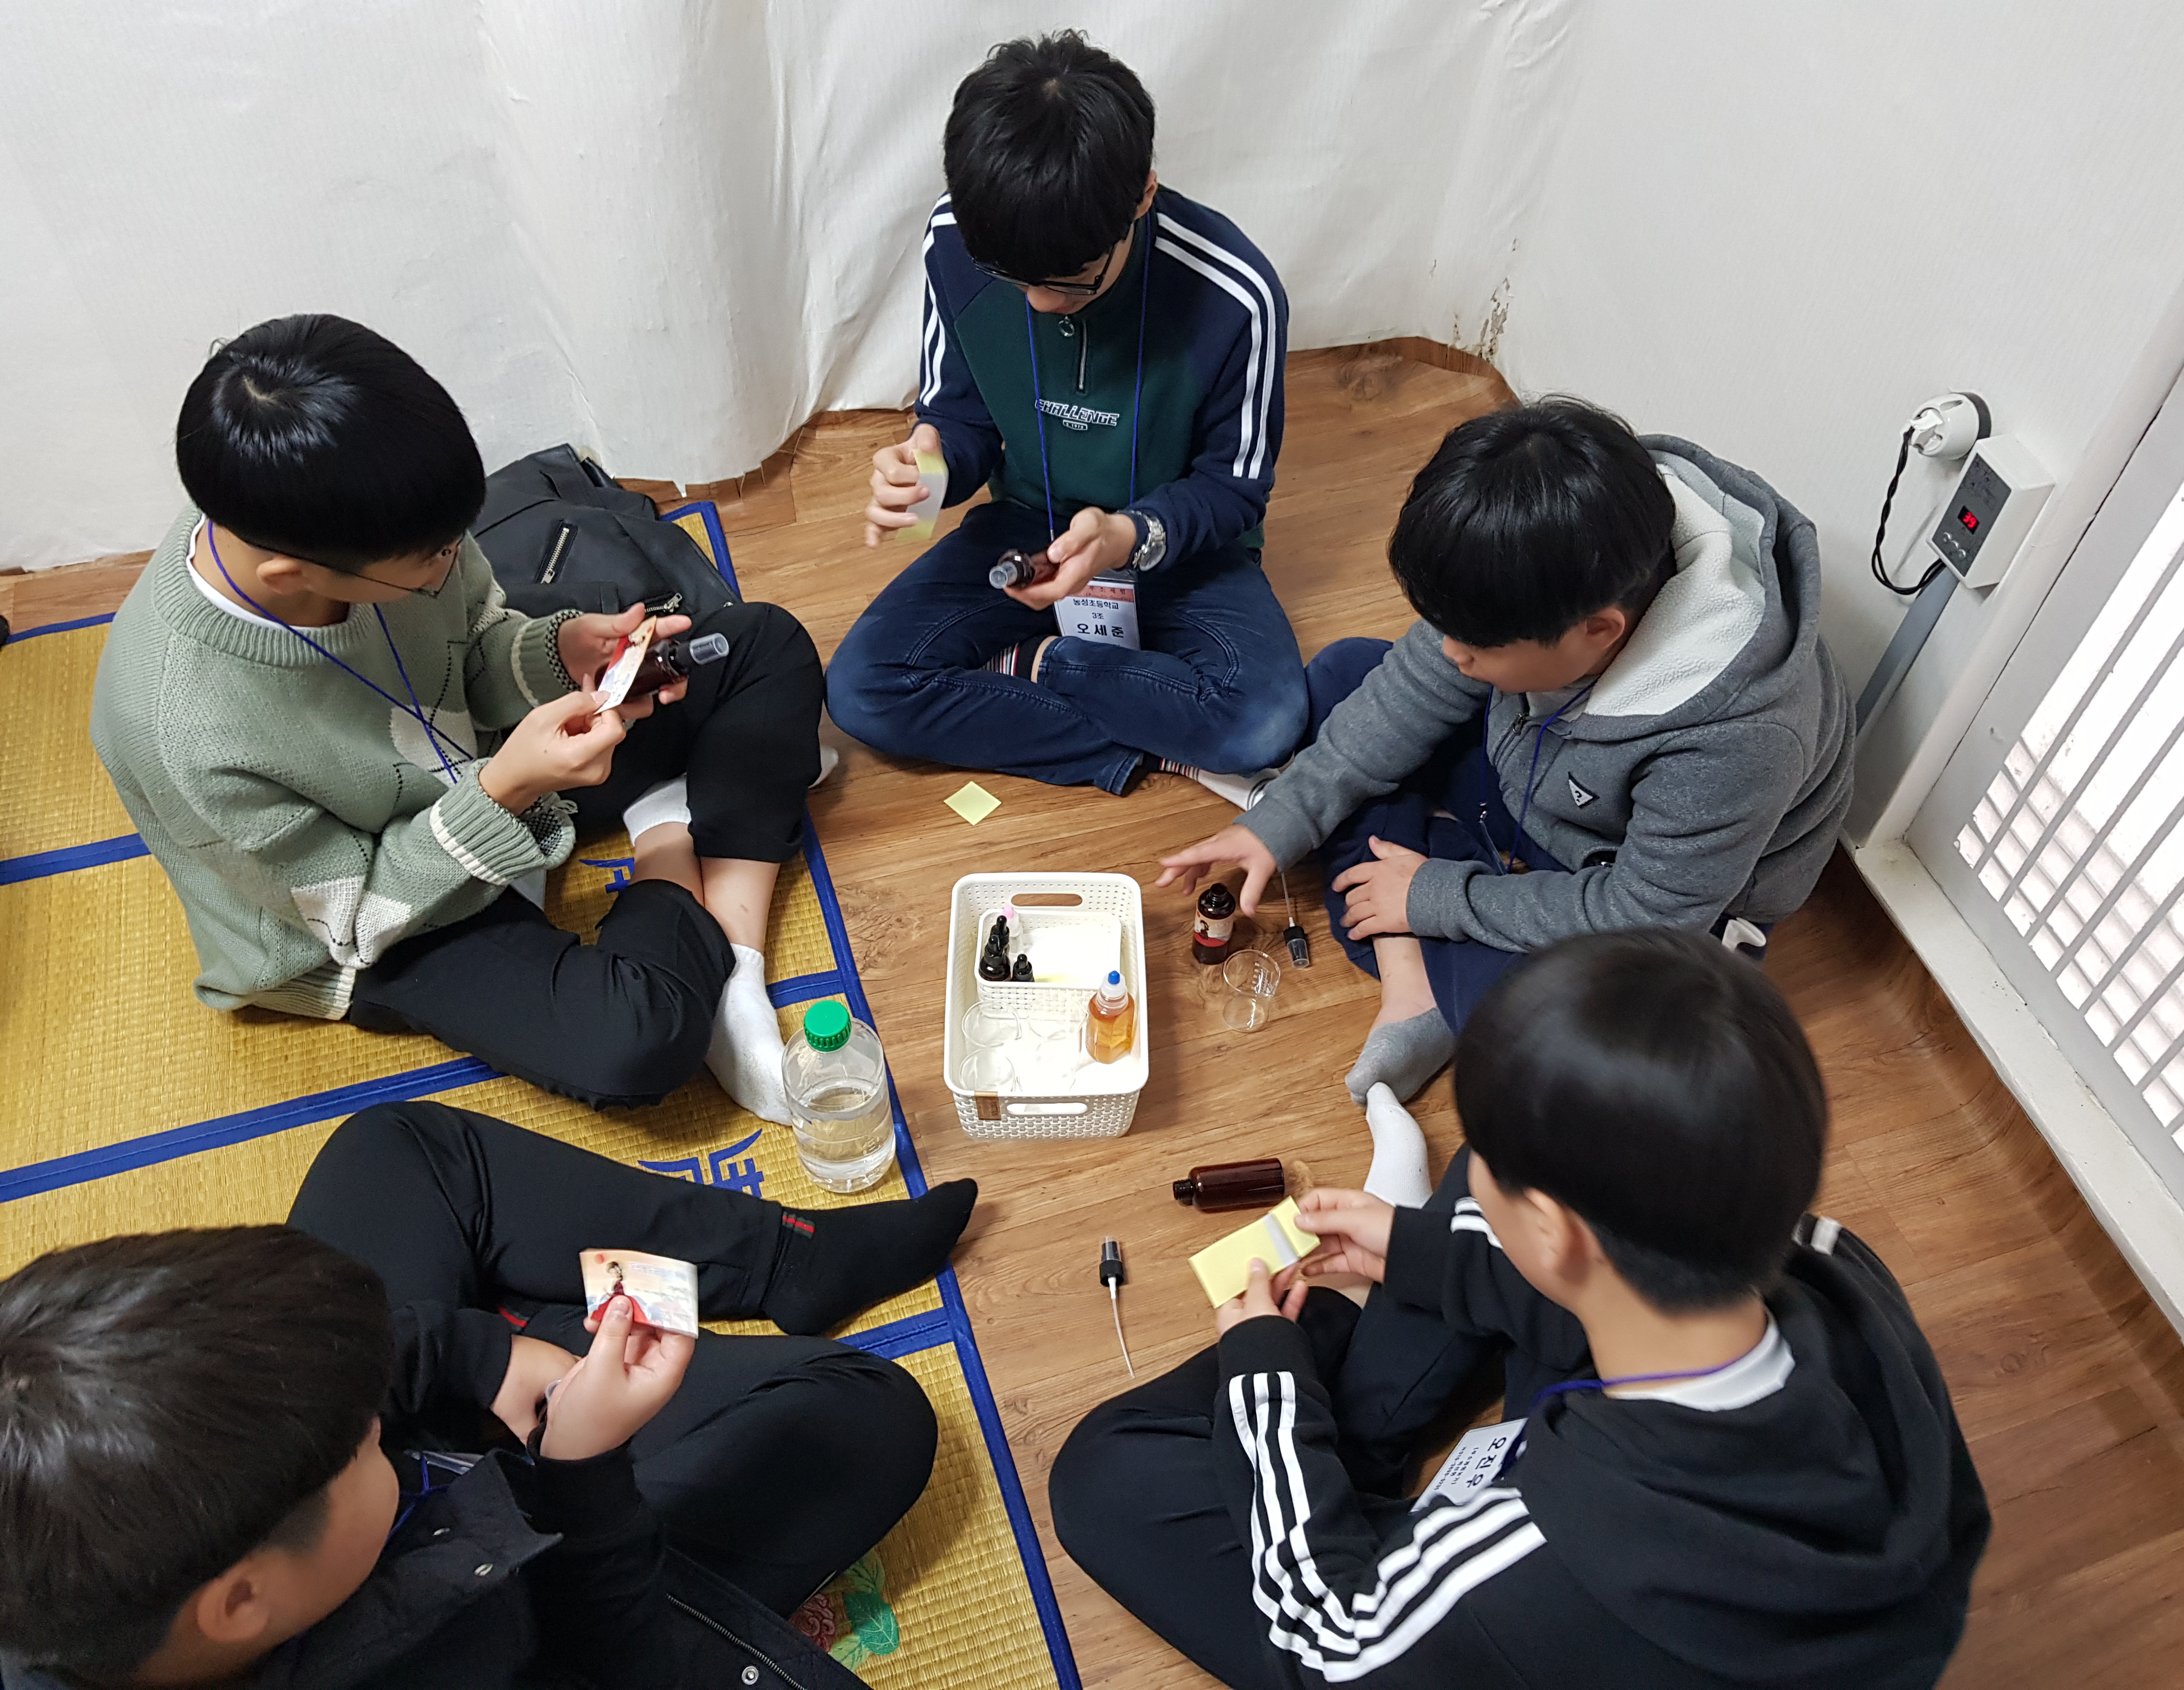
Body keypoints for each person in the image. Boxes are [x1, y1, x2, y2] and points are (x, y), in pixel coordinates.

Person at [1049, 931, 1990, 1689]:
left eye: (1504, 1181)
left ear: (1554, 1235)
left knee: (1105, 1472)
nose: (1483, 1171)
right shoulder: (1831, 1260)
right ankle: (1353, 1373)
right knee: (1491, 1189)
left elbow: (1324, 1645)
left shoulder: (1543, 1551)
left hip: (1511, 1604)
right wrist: (1419, 1246)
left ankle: (1323, 1369)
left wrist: (1266, 1374)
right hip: (1657, 1535)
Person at [91, 314, 825, 1118]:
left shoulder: (369, 514)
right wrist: (506, 791)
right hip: (371, 918)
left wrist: (556, 652)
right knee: (637, 1037)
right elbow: (354, 921)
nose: (454, 560)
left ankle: (736, 971)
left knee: (762, 644)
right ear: (292, 576)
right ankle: (670, 829)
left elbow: (471, 643)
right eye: (431, 559)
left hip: (481, 766)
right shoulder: (183, 730)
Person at [0, 1100, 978, 1688]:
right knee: (863, 1418)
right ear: (243, 1600)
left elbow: (374, 1362)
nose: (376, 1419)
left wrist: (481, 1358)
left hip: (422, 1491)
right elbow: (622, 1661)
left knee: (397, 1149)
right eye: (362, 1438)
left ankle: (779, 1264)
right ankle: (547, 1328)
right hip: (536, 1577)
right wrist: (583, 1474)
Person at [1158, 397, 1853, 1205]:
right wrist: (1277, 823)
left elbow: (1648, 915)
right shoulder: (1550, 562)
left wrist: (1440, 896)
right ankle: (1413, 982)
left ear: (1599, 631)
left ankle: (1431, 944)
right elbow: (1417, 684)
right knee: (1349, 674)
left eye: (1477, 646)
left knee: (1567, 1060)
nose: (1450, 652)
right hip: (1534, 774)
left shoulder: (1742, 737)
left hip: (1644, 899)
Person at [827, 31, 1307, 796]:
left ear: (1142, 195)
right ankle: (1159, 737)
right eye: (1012, 280)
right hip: (1028, 529)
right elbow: (962, 418)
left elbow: (1234, 489)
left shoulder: (1236, 294)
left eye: (1071, 281)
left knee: (1264, 722)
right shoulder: (957, 242)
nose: (1041, 303)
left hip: (1176, 548)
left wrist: (1126, 536)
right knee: (861, 689)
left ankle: (1031, 669)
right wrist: (926, 472)